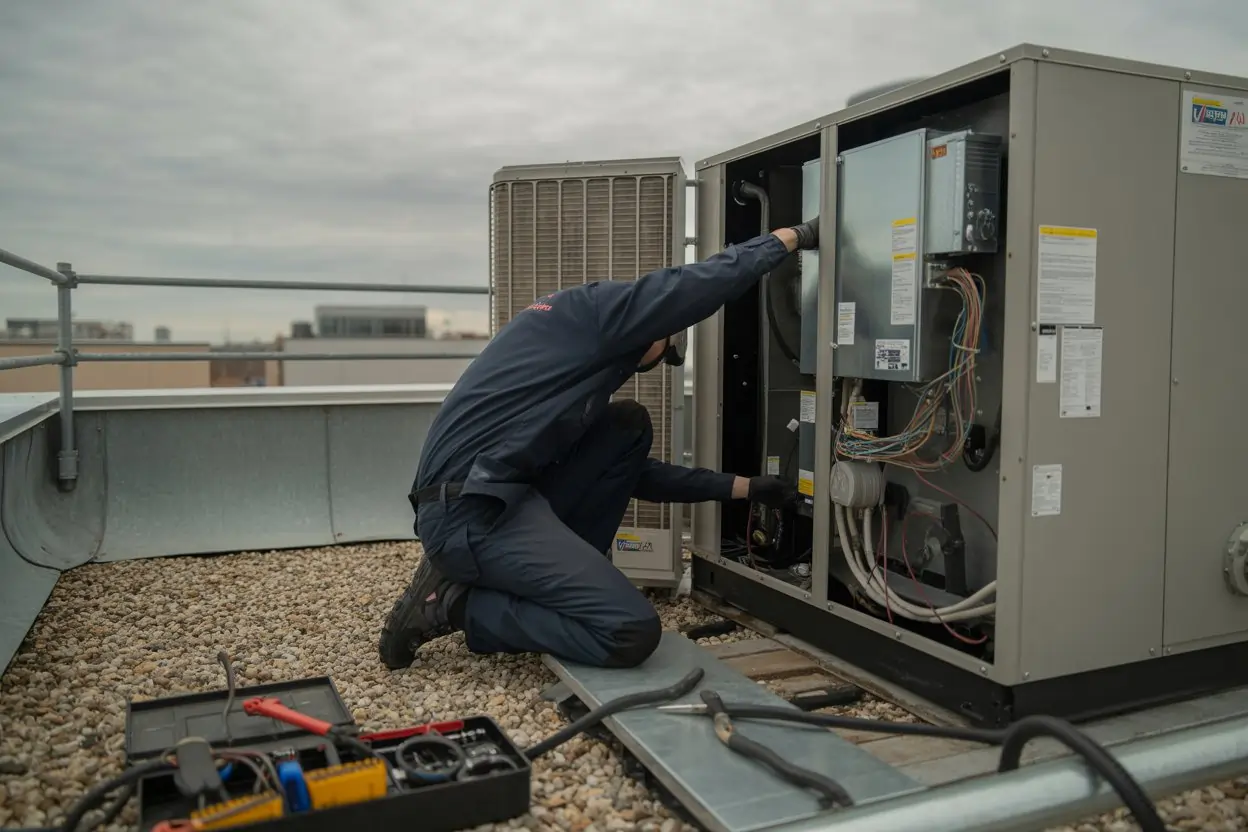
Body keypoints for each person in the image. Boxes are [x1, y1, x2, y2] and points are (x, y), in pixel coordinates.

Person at [378, 218, 820, 671]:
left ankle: (510, 585)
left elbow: (631, 473)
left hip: (499, 495)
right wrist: (792, 239)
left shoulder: (565, 350)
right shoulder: (599, 314)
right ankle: (455, 605)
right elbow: (693, 287)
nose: (649, 366)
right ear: (658, 328)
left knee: (628, 424)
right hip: (470, 511)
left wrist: (745, 487)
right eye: (663, 355)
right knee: (628, 631)